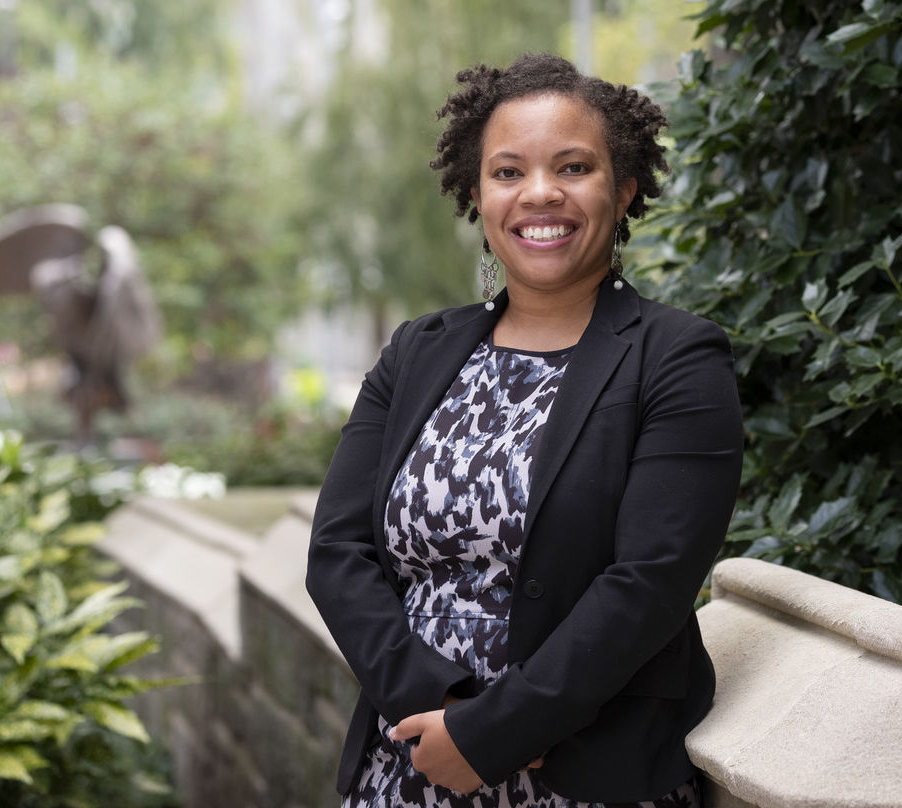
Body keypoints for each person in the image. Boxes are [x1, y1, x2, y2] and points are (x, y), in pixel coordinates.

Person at [306, 53, 743, 807]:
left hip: (584, 775)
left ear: (625, 188)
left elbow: (650, 583)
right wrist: (438, 711)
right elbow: (338, 552)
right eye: (508, 172)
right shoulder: (418, 351)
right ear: (478, 194)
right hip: (410, 763)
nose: (541, 193)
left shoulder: (677, 358)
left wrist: (491, 734)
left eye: (573, 167)